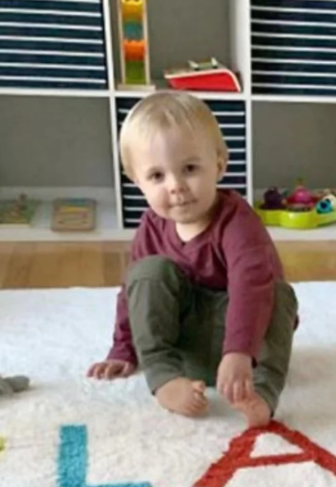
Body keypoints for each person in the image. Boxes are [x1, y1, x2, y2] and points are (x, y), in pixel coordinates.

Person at [87, 91, 298, 428]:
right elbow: (134, 293)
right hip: (181, 345)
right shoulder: (151, 227)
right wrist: (122, 348)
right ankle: (163, 377)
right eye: (157, 176)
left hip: (244, 351)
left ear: (219, 164)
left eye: (189, 168)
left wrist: (239, 352)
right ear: (136, 181)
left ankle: (262, 395)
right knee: (147, 272)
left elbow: (250, 287)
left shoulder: (238, 222)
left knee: (277, 293)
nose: (176, 186)